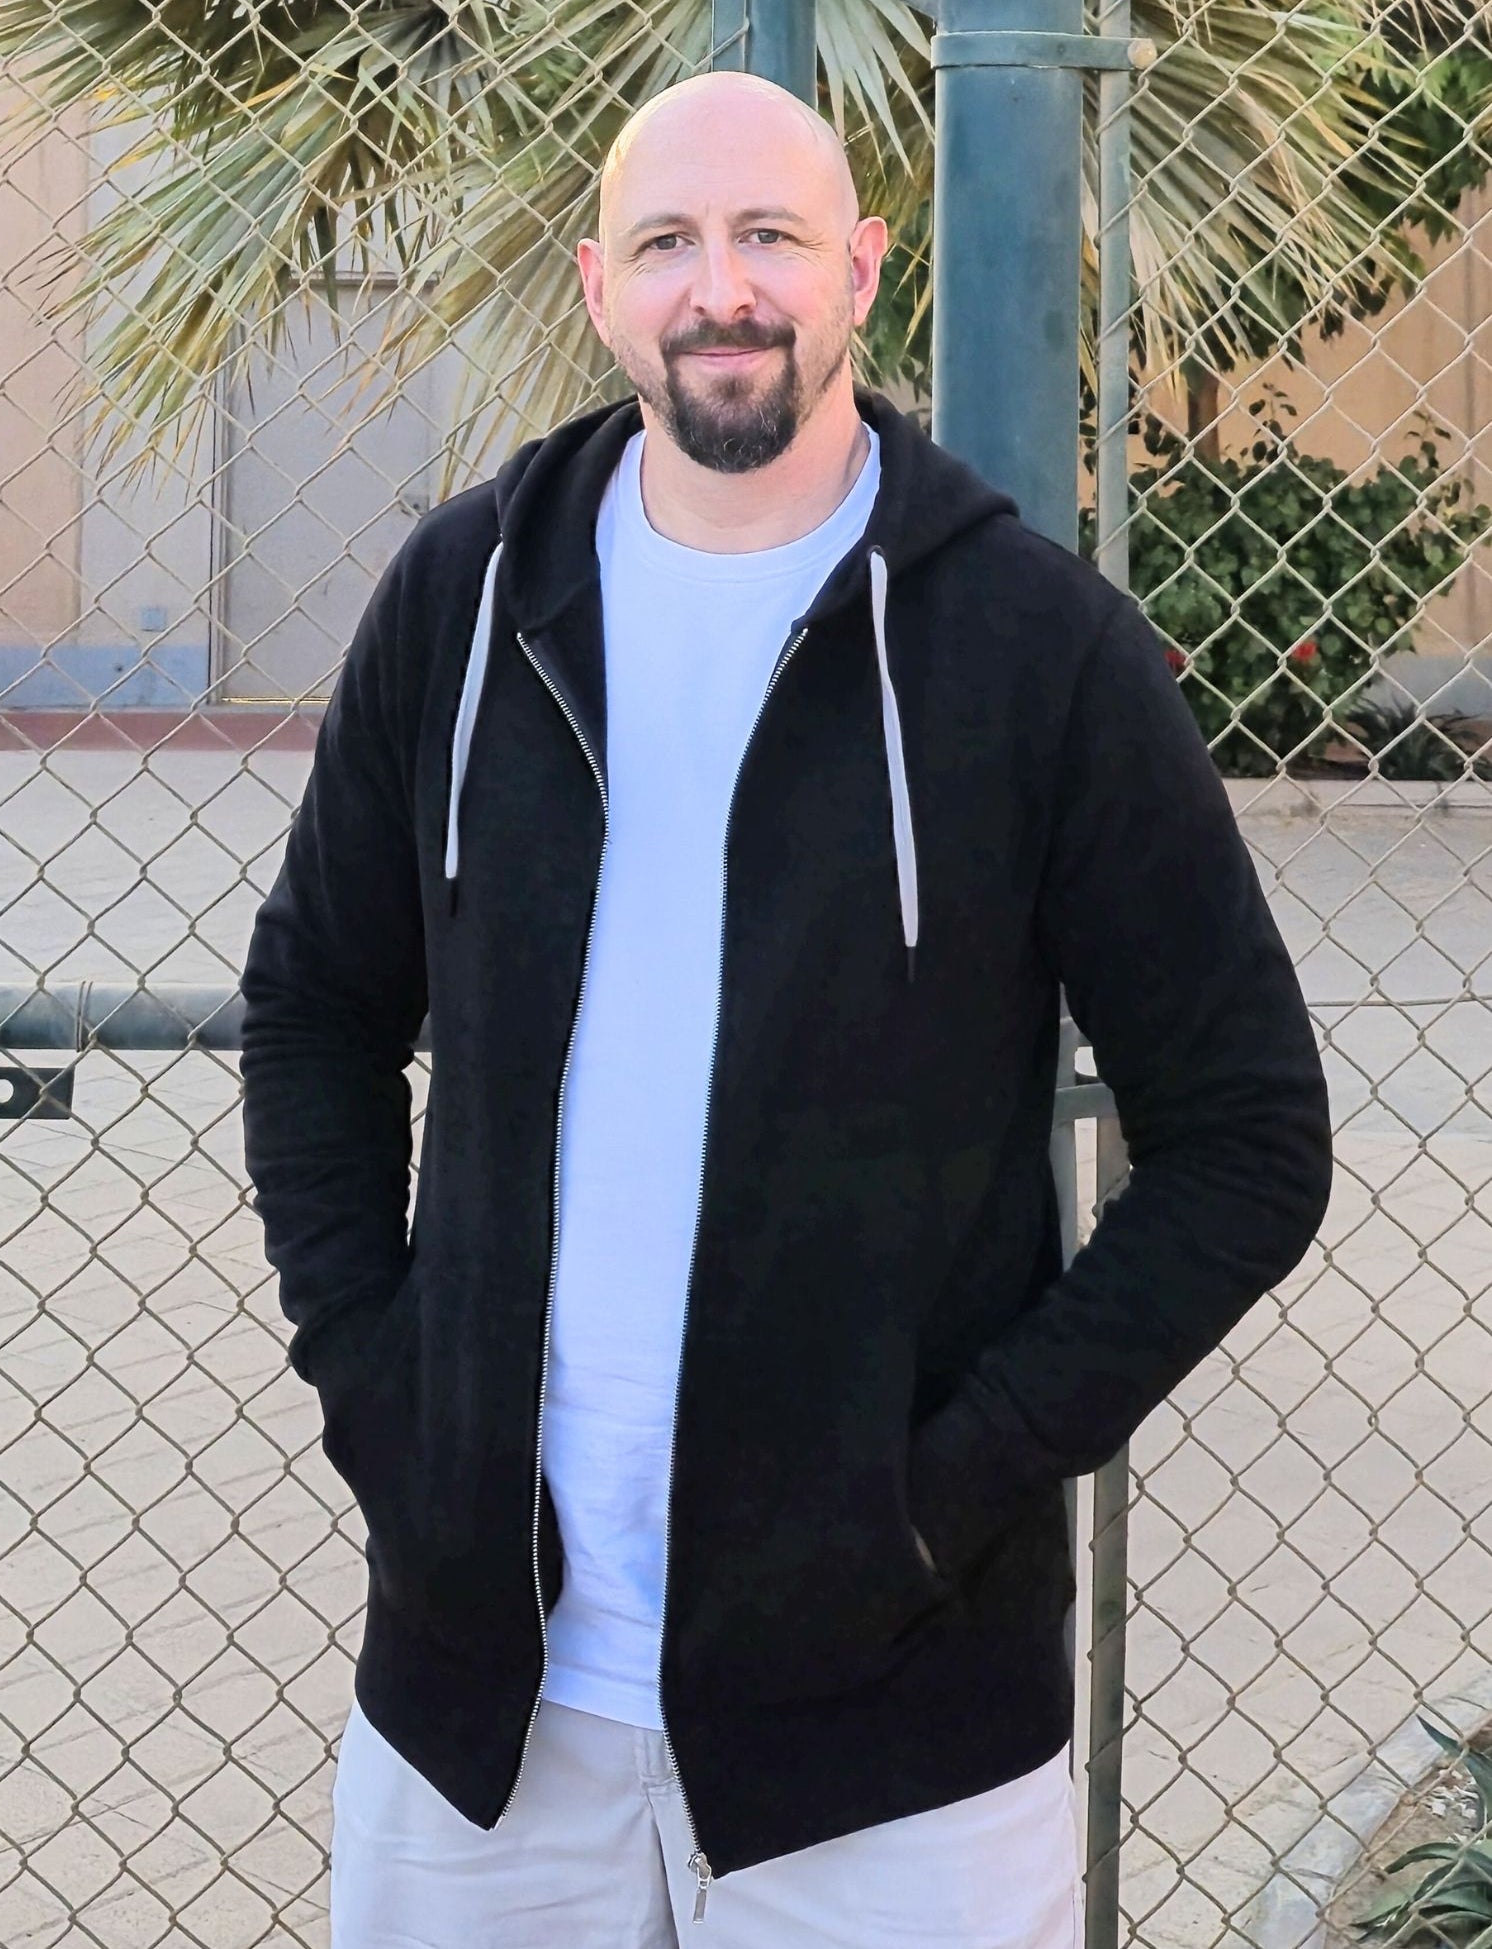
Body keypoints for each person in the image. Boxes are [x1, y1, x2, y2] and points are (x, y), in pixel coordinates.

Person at [238, 67, 1333, 1949]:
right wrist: (382, 1389)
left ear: (864, 271)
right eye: (668, 242)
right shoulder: (466, 601)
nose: (719, 288)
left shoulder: (1027, 645)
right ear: (600, 285)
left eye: (770, 238)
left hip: (894, 1733)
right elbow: (314, 1009)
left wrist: (950, 1487)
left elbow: (1251, 1136)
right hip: (487, 1719)